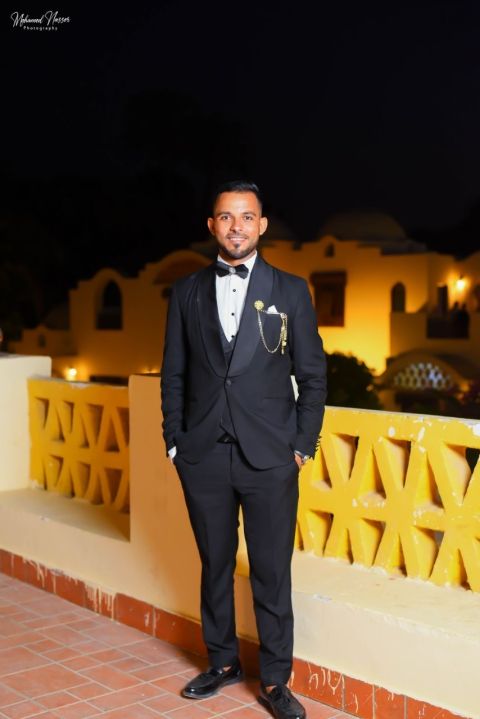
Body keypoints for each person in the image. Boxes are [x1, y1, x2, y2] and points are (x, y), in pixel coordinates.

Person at [161, 180, 327, 719]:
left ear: (262, 225)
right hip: (203, 454)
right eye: (226, 217)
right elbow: (174, 373)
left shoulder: (292, 290)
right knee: (214, 564)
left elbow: (313, 376)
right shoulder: (186, 292)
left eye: (247, 217)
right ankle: (223, 661)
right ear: (212, 225)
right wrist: (174, 441)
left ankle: (276, 680)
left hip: (272, 458)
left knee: (271, 571)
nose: (237, 227)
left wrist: (301, 447)